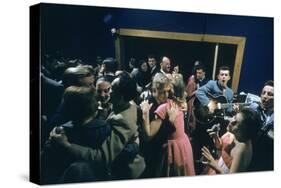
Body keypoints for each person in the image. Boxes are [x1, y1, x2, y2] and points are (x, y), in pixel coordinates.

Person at [48, 72, 145, 181]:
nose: (108, 93)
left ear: (121, 97)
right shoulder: (124, 103)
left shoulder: (123, 120)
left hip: (125, 172)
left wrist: (66, 145)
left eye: (111, 89)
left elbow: (103, 157)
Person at [140, 74, 195, 177]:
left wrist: (184, 106)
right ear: (154, 90)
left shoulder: (168, 103)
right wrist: (169, 122)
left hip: (174, 148)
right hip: (153, 153)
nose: (166, 95)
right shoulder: (148, 104)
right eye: (162, 92)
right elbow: (149, 138)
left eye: (168, 91)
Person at [193, 66, 234, 174]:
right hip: (205, 119)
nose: (223, 77)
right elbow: (199, 92)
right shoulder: (212, 84)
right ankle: (196, 164)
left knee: (214, 145)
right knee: (201, 141)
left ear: (229, 77)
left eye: (226, 75)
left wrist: (233, 108)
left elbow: (228, 110)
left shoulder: (230, 92)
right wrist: (209, 103)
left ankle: (208, 165)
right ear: (218, 76)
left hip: (218, 122)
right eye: (221, 75)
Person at [201, 108, 259, 174]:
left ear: (245, 130)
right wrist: (215, 136)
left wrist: (213, 163)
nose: (231, 121)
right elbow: (219, 146)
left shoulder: (241, 149)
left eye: (236, 123)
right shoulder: (233, 133)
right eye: (234, 117)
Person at [249, 80, 274, 171]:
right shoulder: (254, 108)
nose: (265, 96)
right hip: (250, 153)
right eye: (263, 93)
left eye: (270, 94)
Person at [186, 62, 209, 132]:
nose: (197, 75)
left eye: (199, 73)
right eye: (197, 73)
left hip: (203, 109)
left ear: (204, 73)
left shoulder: (208, 82)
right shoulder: (195, 80)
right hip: (195, 108)